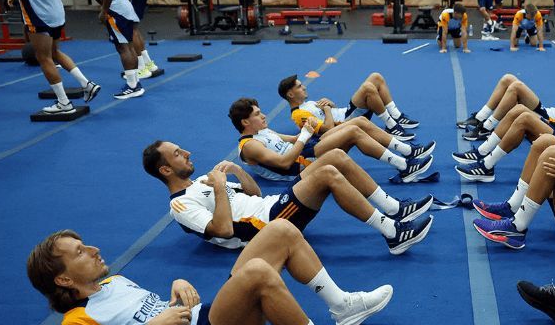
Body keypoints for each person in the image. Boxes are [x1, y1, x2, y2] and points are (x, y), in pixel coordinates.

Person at [26, 220, 394, 325]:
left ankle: (342, 306)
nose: (93, 250)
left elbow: (151, 316)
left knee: (280, 231)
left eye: (85, 244)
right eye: (80, 253)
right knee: (255, 272)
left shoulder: (112, 282)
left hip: (203, 324)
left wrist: (177, 287)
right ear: (63, 280)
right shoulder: (76, 324)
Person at [142, 141, 433, 255]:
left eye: (183, 148)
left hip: (271, 206)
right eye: (179, 154)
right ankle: (393, 233)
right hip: (266, 227)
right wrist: (219, 187)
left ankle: (394, 209)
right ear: (166, 169)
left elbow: (254, 195)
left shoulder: (206, 180)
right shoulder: (179, 204)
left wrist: (236, 172)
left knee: (335, 157)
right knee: (327, 175)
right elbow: (223, 231)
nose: (188, 152)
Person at [229, 97, 434, 183]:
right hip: (302, 168)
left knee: (359, 123)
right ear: (245, 122)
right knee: (353, 132)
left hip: (307, 150)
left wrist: (308, 130)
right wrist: (305, 136)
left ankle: (407, 152)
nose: (263, 115)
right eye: (257, 114)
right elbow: (284, 162)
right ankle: (404, 165)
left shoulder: (261, 132)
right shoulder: (250, 147)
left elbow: (291, 139)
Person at [278, 72, 417, 138]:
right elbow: (328, 129)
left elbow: (331, 113)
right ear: (290, 94)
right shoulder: (298, 115)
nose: (304, 87)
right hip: (346, 121)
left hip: (346, 113)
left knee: (376, 77)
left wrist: (331, 105)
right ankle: (392, 126)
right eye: (299, 87)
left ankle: (396, 116)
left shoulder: (308, 104)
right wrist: (327, 109)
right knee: (368, 87)